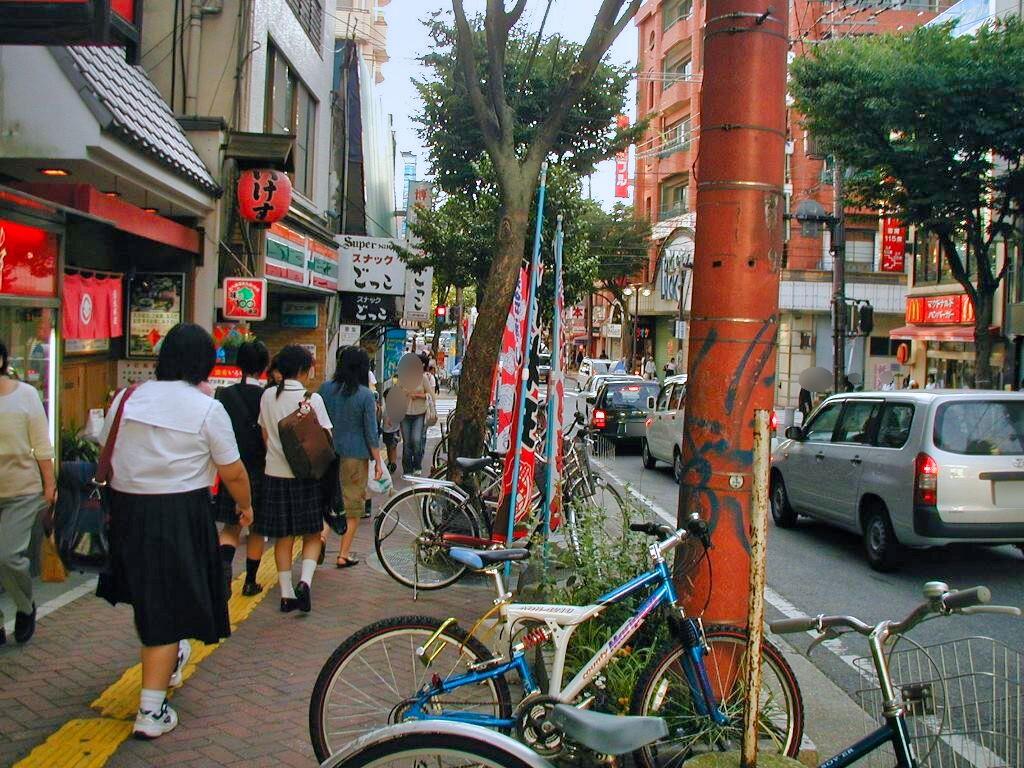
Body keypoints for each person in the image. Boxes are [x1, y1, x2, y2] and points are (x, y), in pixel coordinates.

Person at [97, 323, 252, 739]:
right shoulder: (206, 407)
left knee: (154, 599)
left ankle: (172, 654)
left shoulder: (127, 398)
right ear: (206, 362)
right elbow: (233, 470)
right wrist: (246, 505)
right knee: (165, 606)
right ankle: (151, 710)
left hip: (127, 512)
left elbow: (105, 449)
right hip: (180, 512)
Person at [259, 345, 332, 614]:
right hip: (306, 477)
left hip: (274, 475)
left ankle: (286, 593)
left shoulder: (267, 396)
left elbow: (265, 436)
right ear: (303, 369)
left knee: (284, 536)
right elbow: (326, 439)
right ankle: (305, 582)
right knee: (312, 533)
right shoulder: (312, 399)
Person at [0, 339, 55, 647]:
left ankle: (25, 607)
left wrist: (49, 484)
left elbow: (41, 443)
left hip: (21, 488)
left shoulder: (26, 395)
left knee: (7, 555)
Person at [318, 347, 385, 568]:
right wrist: (377, 461)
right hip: (355, 456)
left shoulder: (325, 389)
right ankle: (343, 554)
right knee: (353, 506)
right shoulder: (365, 395)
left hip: (326, 454)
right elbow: (370, 431)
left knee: (329, 501)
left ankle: (321, 537)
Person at [212, 341, 269, 597]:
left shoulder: (223, 395)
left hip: (230, 468)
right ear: (264, 365)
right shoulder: (267, 397)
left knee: (231, 528)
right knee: (257, 528)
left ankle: (224, 569)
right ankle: (250, 581)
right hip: (261, 469)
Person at [400, 357, 433, 476]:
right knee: (407, 442)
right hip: (404, 413)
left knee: (416, 440)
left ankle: (417, 464)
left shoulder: (423, 378)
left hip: (419, 413)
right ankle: (407, 468)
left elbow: (430, 395)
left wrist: (418, 395)